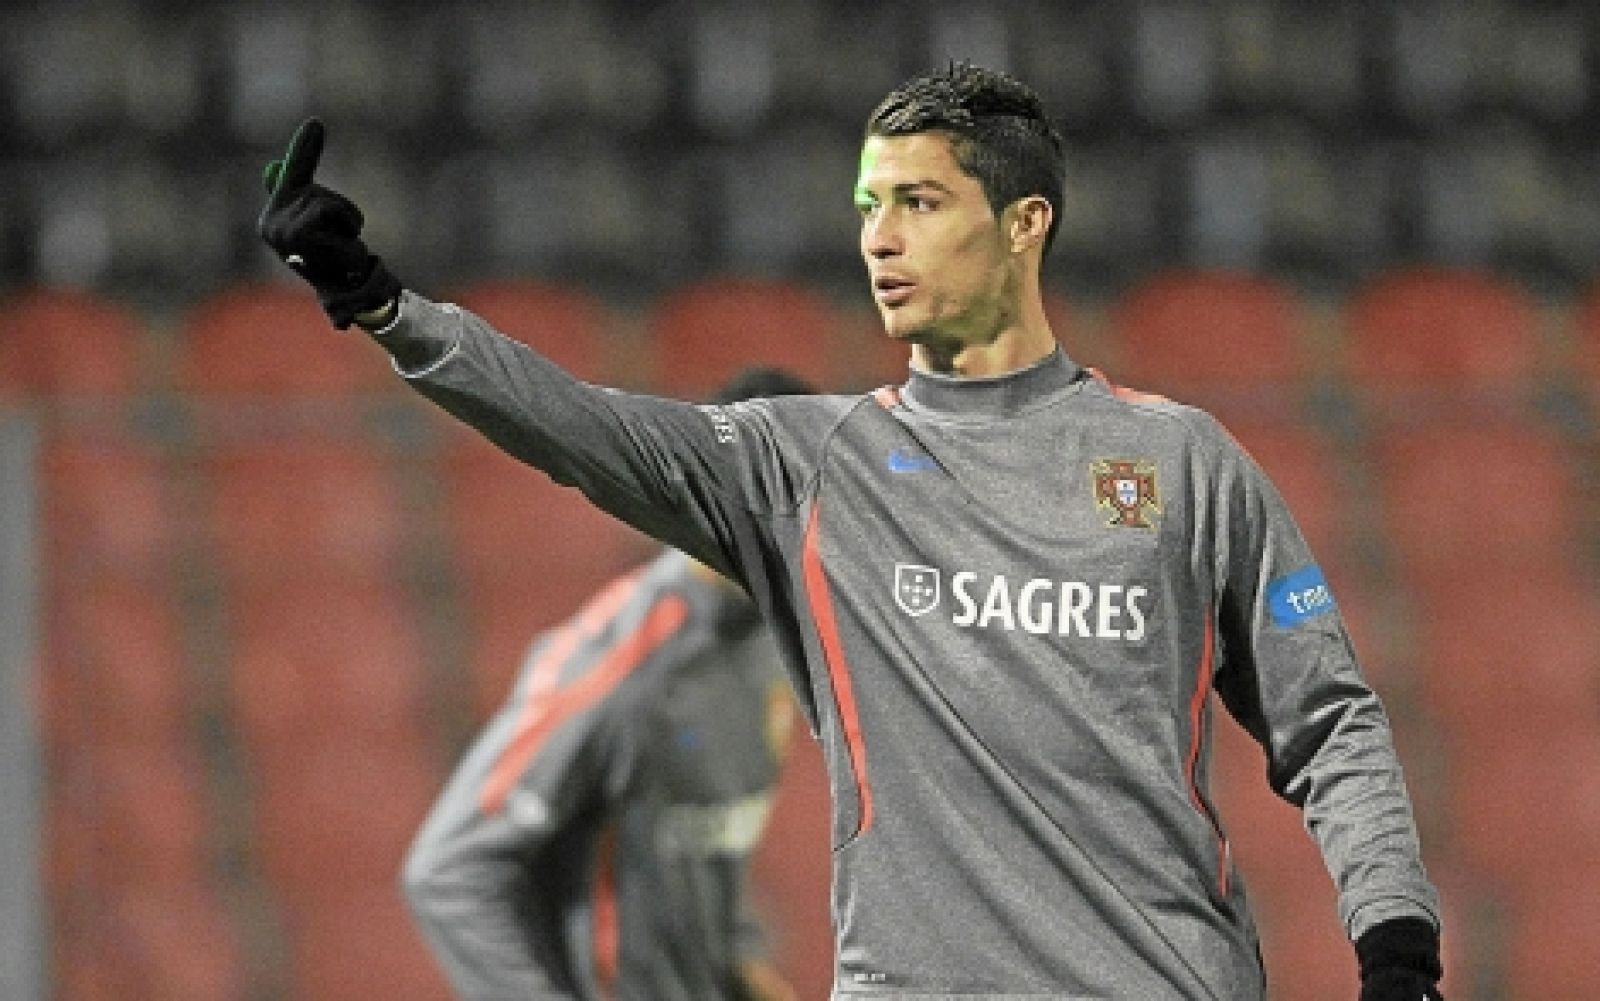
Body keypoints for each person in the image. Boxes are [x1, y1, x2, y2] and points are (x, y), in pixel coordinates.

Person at [259, 62, 1445, 1001]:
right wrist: (385, 308)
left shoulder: (1185, 464)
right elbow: (581, 426)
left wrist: (1396, 946)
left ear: (1024, 221)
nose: (877, 237)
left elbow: (1330, 718)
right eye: (868, 206)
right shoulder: (801, 464)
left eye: (918, 203)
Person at [401, 368, 813, 1001]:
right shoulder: (621, 660)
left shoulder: (771, 644)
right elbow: (449, 872)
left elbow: (708, 857)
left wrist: (744, 967)